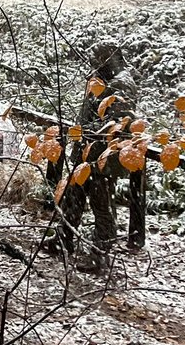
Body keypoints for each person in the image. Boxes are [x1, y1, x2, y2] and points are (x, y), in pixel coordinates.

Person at [56, 40, 138, 272]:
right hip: (87, 151)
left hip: (103, 156)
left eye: (99, 57)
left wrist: (85, 133)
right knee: (73, 195)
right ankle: (63, 239)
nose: (94, 62)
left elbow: (114, 123)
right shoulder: (102, 79)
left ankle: (100, 253)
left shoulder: (122, 83)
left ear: (111, 57)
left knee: (101, 204)